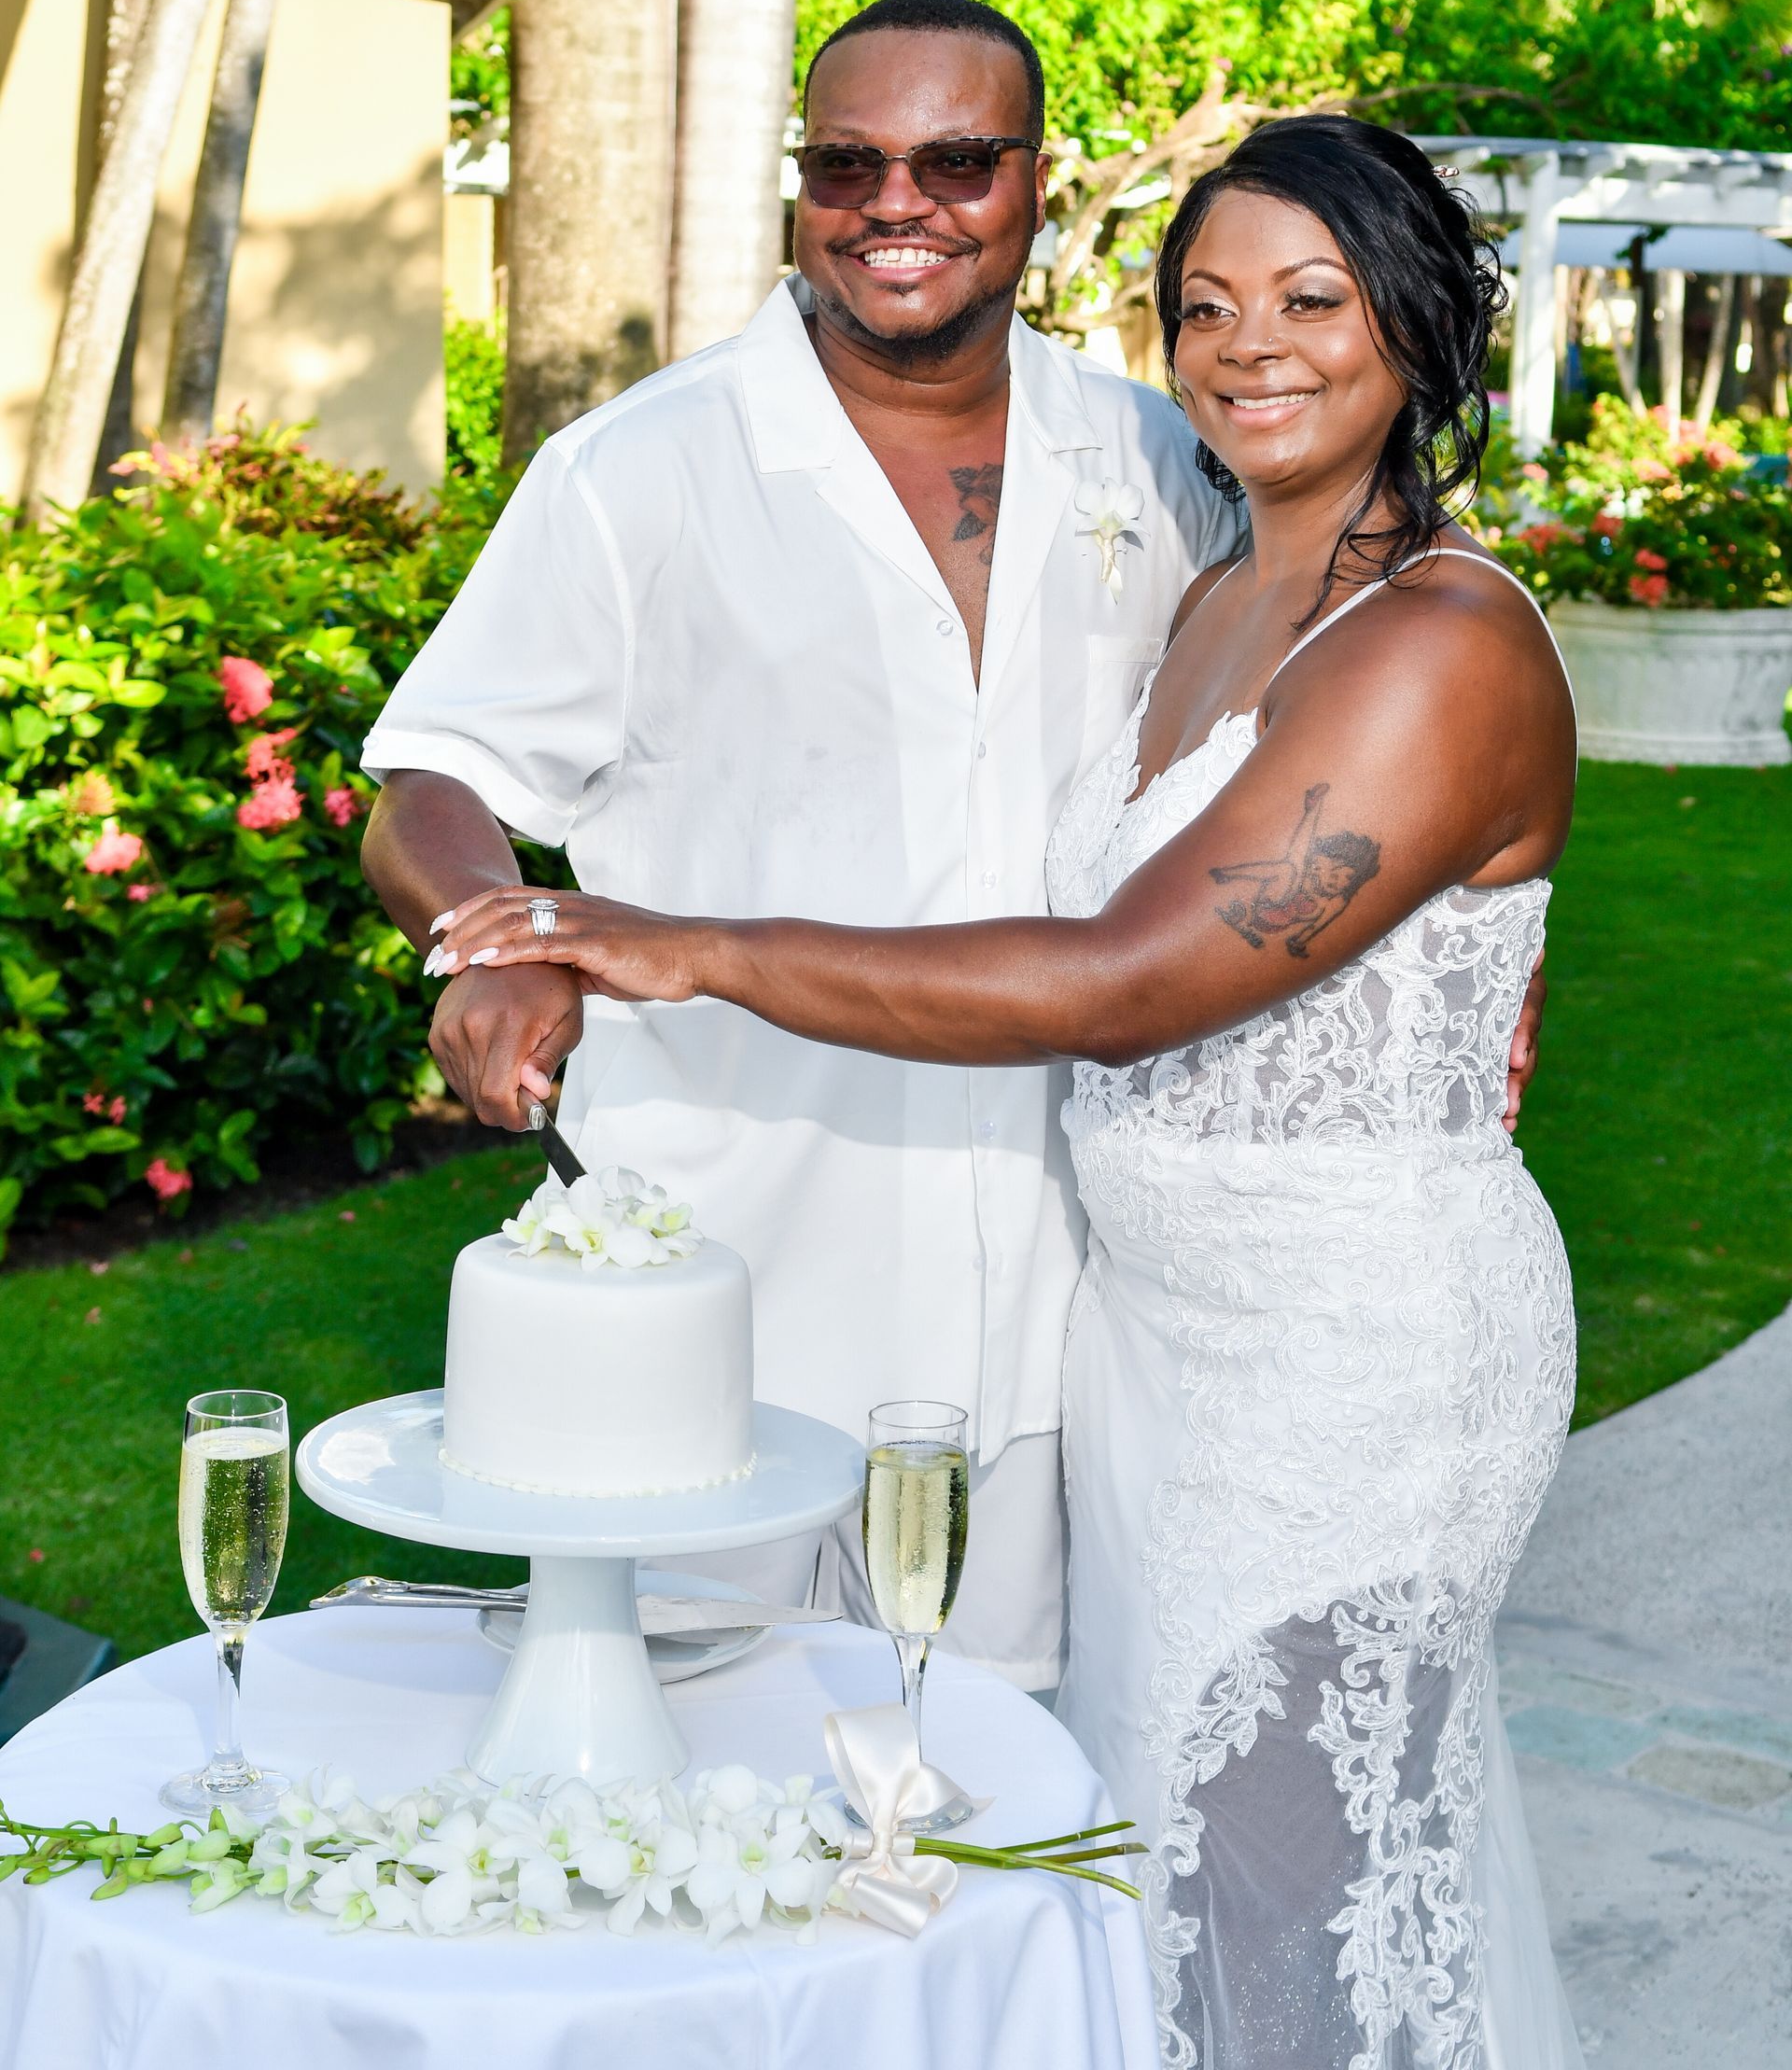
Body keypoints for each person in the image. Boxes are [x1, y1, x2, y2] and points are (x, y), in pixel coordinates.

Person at [430, 116, 1585, 2069]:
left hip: (1355, 1362)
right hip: (1146, 1343)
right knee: (1149, 1850)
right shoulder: (1216, 586)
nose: (1252, 346)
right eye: (1205, 305)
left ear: (1421, 326)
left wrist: (683, 943)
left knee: (1289, 1866)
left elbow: (1131, 982)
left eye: (1316, 300)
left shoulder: (1444, 644)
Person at [361, 0, 1246, 1692]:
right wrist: (493, 936)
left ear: (1037, 184)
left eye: (955, 161)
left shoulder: (1153, 455)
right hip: (720, 1287)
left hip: (1061, 1302)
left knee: (997, 1814)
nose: (895, 204)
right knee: (685, 1792)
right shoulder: (642, 471)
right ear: (803, 184)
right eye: (848, 163)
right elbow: (435, 774)